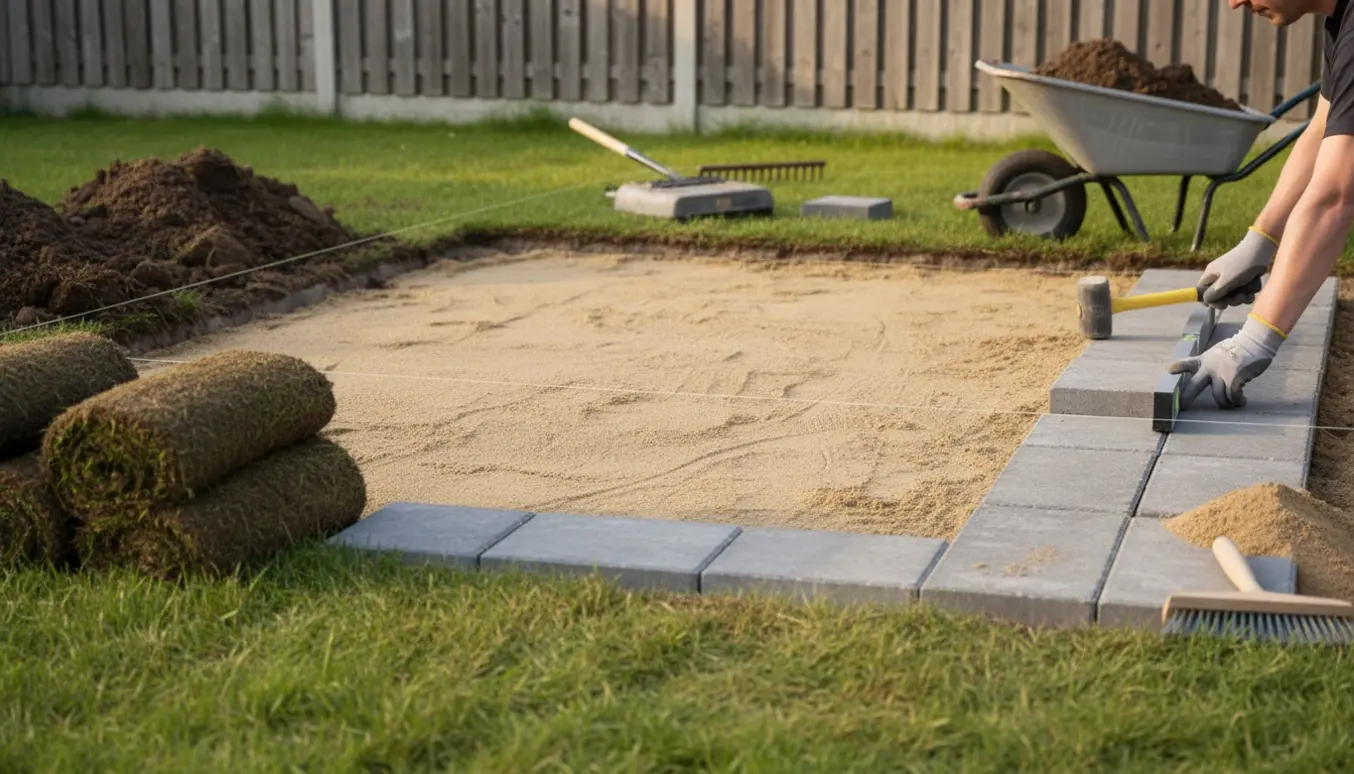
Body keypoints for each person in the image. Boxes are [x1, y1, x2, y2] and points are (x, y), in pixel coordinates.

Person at [1170, 0, 1352, 410]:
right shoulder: (1342, 23)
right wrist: (1260, 242)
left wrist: (1254, 341)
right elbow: (1323, 130)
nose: (1235, 2)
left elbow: (1335, 195)